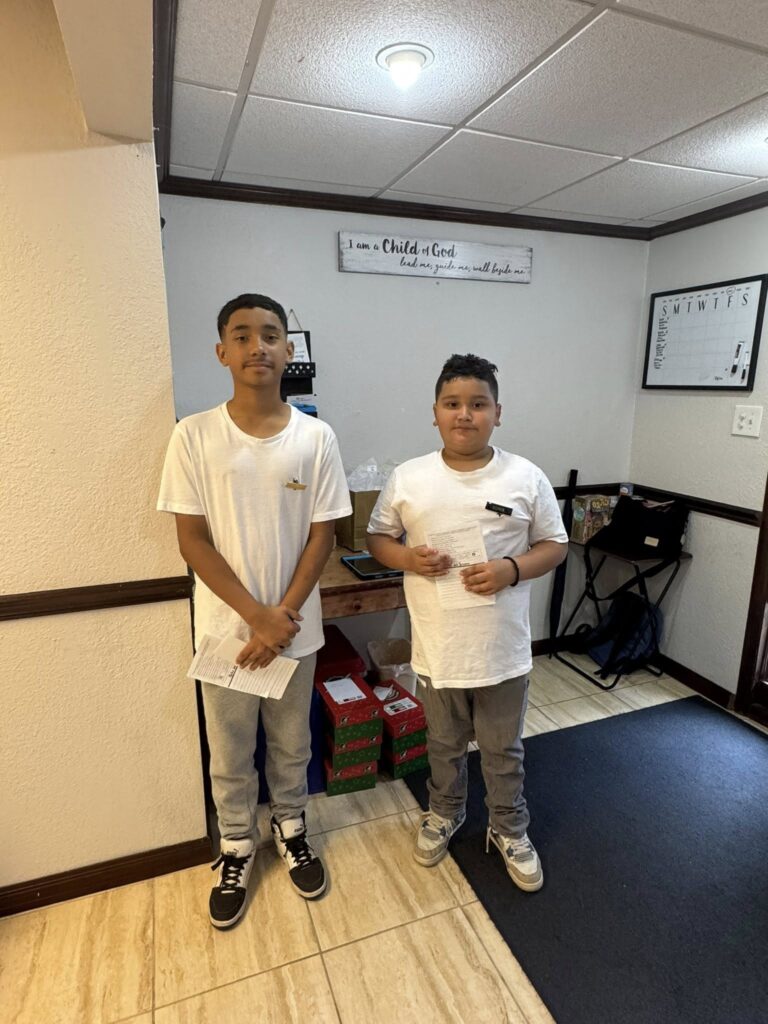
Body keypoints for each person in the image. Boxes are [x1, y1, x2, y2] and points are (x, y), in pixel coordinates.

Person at [157, 293, 351, 927]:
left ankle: (291, 828)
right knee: (230, 749)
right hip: (224, 634)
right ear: (222, 352)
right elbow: (192, 541)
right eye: (241, 336)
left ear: (289, 350)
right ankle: (238, 844)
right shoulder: (193, 435)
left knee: (293, 744)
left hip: (295, 631)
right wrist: (255, 616)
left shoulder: (316, 437)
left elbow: (323, 535)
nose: (256, 346)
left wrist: (280, 616)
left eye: (270, 335)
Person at [367, 353, 567, 891]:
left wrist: (510, 569)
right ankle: (445, 810)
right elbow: (378, 538)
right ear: (434, 412)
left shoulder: (525, 476)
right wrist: (408, 558)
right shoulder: (409, 478)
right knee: (443, 743)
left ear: (497, 413)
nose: (464, 414)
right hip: (438, 647)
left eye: (478, 404)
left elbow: (555, 545)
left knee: (503, 750)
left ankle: (509, 826)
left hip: (502, 649)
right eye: (452, 403)